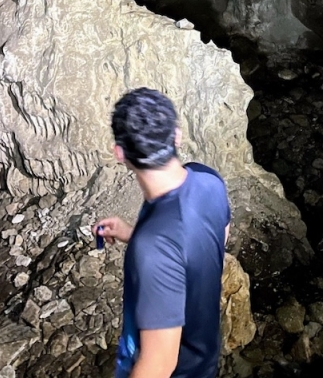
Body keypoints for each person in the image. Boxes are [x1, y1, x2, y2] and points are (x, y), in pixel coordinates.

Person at [94, 87, 231, 378]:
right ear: (177, 135)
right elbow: (208, 245)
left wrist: (149, 245)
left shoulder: (153, 249)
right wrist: (133, 233)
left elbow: (159, 365)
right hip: (205, 356)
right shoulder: (209, 181)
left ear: (119, 154)